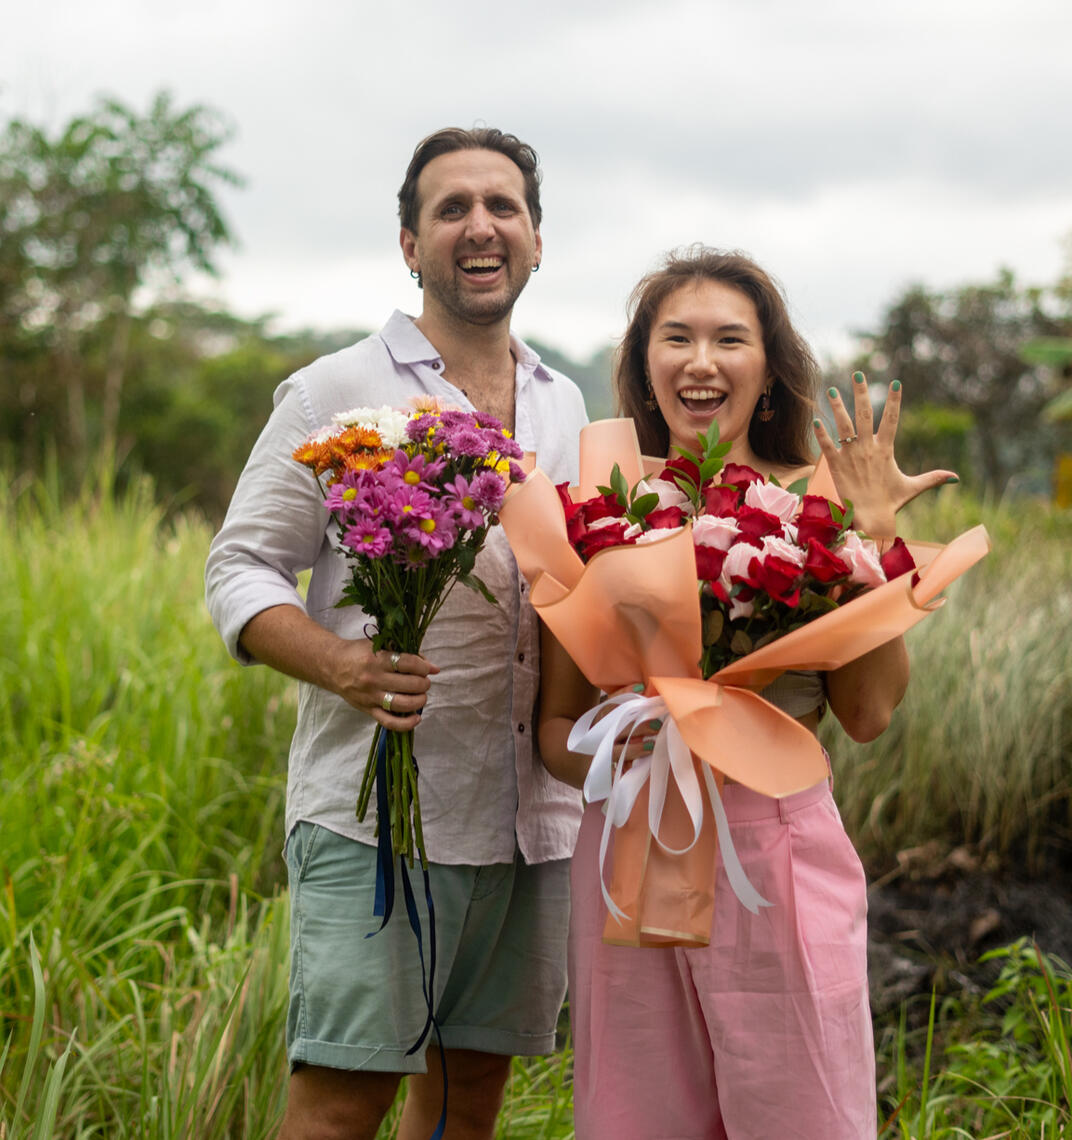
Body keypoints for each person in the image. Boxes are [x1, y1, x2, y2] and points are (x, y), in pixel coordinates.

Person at [205, 127, 588, 1140]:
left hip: (529, 823)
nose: (480, 227)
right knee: (340, 1106)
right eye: (451, 208)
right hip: (379, 821)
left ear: (537, 241)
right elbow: (237, 568)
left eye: (502, 207)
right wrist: (337, 662)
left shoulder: (566, 405)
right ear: (410, 246)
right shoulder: (339, 392)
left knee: (469, 1104)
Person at [536, 247, 957, 1139]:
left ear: (767, 370)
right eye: (676, 337)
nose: (702, 360)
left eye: (731, 339)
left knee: (802, 1112)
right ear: (646, 365)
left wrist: (877, 536)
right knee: (634, 1117)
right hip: (631, 851)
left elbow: (869, 714)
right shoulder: (598, 512)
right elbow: (554, 728)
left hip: (775, 853)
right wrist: (634, 751)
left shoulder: (820, 506)